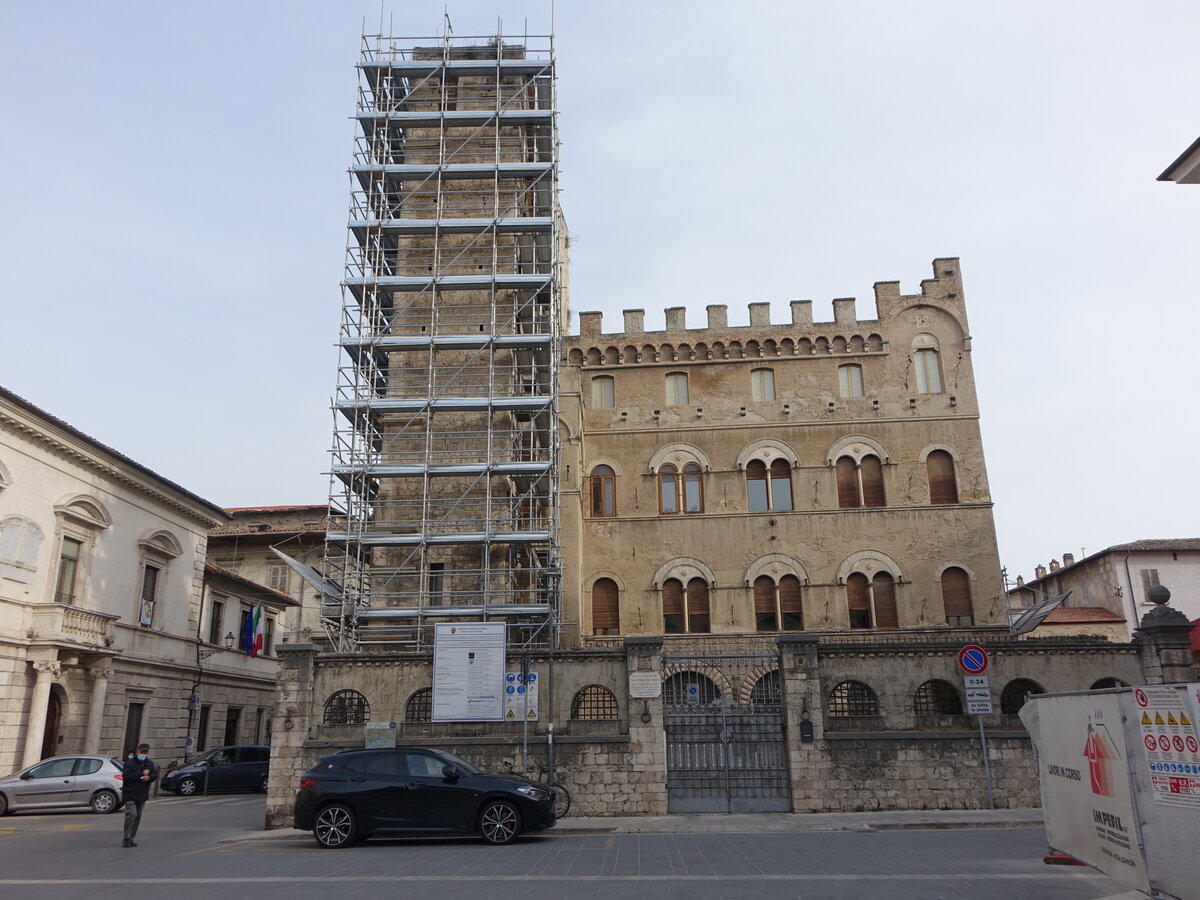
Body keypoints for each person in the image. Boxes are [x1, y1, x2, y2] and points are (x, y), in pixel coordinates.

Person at [121, 742, 158, 848]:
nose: (143, 753)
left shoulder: (149, 763)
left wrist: (149, 777)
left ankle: (132, 838)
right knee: (131, 814)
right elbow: (127, 777)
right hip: (130, 793)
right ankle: (126, 837)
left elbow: (154, 774)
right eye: (142, 751)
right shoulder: (130, 763)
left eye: (145, 752)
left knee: (138, 816)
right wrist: (141, 773)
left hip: (142, 794)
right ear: (138, 751)